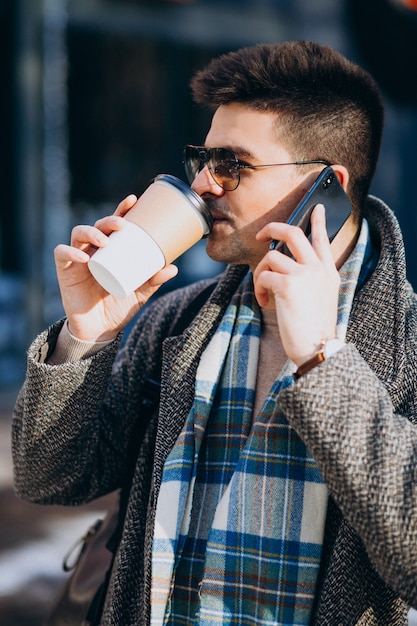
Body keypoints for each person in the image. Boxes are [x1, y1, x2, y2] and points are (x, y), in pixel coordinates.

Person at [12, 40, 417, 625]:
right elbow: (52, 480)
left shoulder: (406, 341)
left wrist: (324, 365)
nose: (204, 184)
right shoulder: (174, 320)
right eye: (202, 159)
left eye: (232, 164)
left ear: (324, 185)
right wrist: (85, 337)